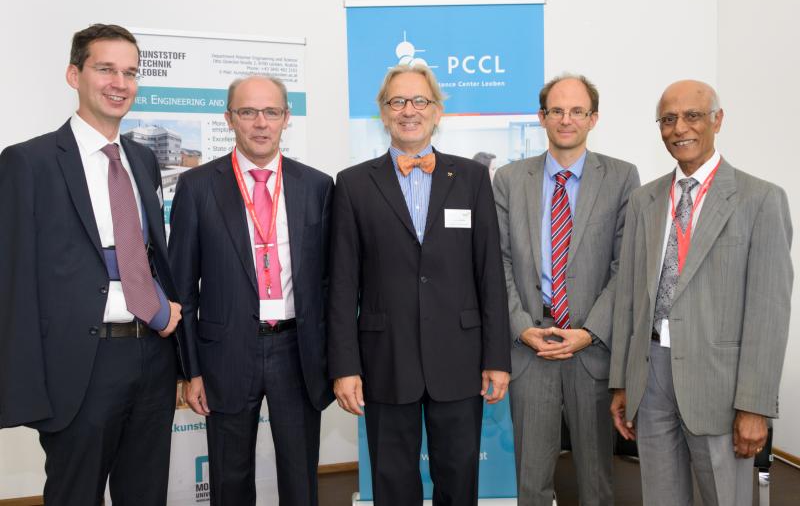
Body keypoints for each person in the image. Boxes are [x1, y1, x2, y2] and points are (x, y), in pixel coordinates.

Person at [0, 23, 183, 506]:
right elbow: (13, 280)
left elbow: (146, 254)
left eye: (130, 72)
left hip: (152, 357)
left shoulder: (143, 160)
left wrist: (164, 309)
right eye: (106, 69)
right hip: (81, 365)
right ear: (73, 75)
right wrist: (23, 385)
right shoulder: (29, 162)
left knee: (146, 495)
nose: (120, 83)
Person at [328, 64, 511, 506]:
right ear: (383, 112)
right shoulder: (353, 184)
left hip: (460, 358)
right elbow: (342, 284)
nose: (408, 111)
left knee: (459, 480)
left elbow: (489, 274)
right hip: (385, 358)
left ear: (436, 111)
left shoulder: (471, 179)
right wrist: (345, 366)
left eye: (419, 101)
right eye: (397, 101)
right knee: (392, 482)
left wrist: (496, 357)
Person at [609, 80, 793, 505]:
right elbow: (629, 300)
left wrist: (754, 406)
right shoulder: (643, 200)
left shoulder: (760, 199)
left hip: (721, 385)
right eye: (668, 119)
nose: (679, 128)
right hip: (650, 376)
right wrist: (621, 382)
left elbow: (768, 313)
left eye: (692, 116)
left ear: (717, 120)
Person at [169, 75, 334, 506]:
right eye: (248, 112)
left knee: (301, 478)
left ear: (286, 118)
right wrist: (190, 369)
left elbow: (328, 282)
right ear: (229, 118)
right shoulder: (197, 186)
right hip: (225, 352)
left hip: (297, 351)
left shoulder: (317, 186)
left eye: (271, 112)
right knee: (230, 479)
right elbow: (182, 288)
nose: (261, 123)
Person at [493, 74, 639, 505]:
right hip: (530, 348)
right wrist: (521, 327)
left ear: (593, 118)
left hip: (591, 352)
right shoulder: (509, 179)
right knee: (531, 483)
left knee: (596, 482)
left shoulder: (621, 177)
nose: (566, 119)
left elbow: (625, 267)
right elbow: (498, 262)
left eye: (577, 111)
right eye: (556, 110)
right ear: (542, 118)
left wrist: (589, 332)